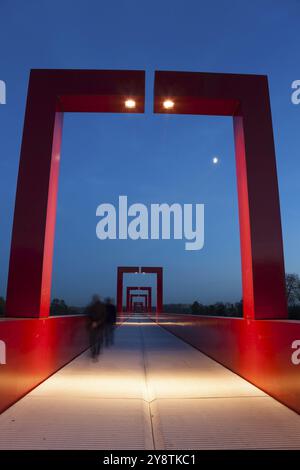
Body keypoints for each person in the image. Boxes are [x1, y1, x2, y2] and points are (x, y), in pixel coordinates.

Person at [86, 295, 106, 360]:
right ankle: (97, 352)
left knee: (92, 340)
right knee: (99, 339)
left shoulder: (91, 306)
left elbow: (88, 316)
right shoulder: (103, 306)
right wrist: (99, 322)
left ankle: (94, 353)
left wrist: (93, 323)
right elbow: (104, 316)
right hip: (100, 325)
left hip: (92, 325)